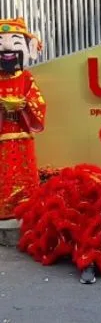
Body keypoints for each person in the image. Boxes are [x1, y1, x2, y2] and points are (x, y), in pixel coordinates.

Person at [0, 17, 46, 220]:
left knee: (23, 174)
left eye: (15, 42)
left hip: (22, 135)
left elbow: (39, 102)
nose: (7, 49)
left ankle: (26, 206)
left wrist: (24, 105)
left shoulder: (26, 77)